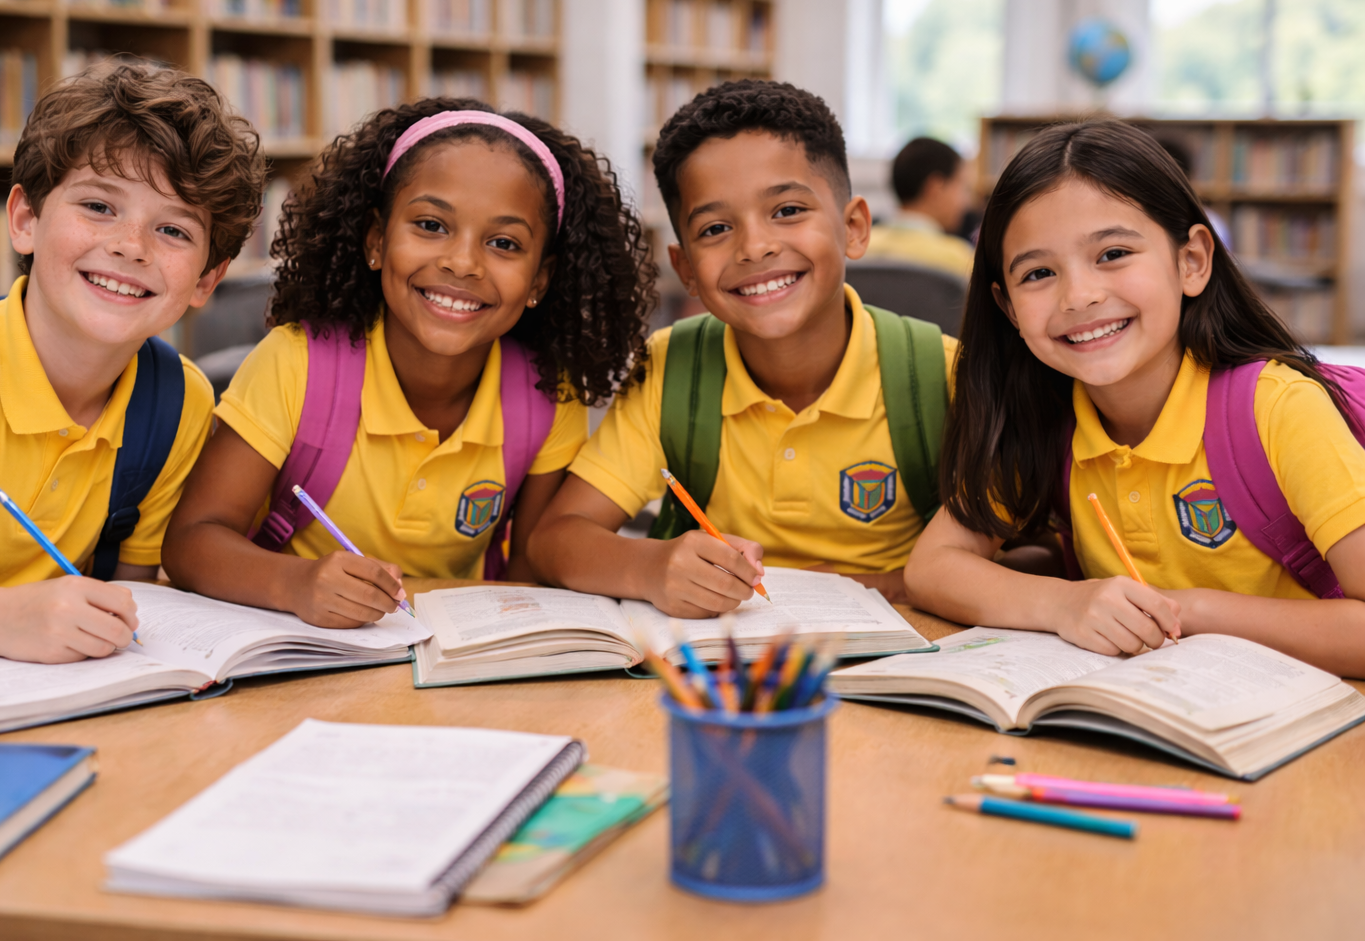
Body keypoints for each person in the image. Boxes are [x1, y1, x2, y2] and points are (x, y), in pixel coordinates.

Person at [162, 98, 654, 628]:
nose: (461, 262)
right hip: (294, 644)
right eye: (430, 225)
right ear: (376, 240)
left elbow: (533, 569)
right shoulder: (296, 362)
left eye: (504, 243)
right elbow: (192, 542)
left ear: (539, 279)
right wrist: (297, 583)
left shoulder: (546, 394)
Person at [0, 62, 261, 662]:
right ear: (25, 220)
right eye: (99, 207)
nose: (130, 247)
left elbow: (128, 600)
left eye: (173, 231)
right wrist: (1, 620)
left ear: (206, 280)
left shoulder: (176, 401)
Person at [905, 119, 1365, 678]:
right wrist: (1065, 603)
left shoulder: (1276, 407)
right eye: (1039, 272)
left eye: (1113, 253)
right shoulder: (1046, 413)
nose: (1080, 295)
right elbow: (932, 568)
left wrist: (1190, 610)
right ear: (1007, 309)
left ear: (1191, 261)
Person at [527, 80, 958, 618]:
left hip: (903, 664)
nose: (754, 247)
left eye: (787, 211)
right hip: (721, 667)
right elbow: (553, 540)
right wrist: (652, 567)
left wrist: (895, 584)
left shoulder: (943, 375)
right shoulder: (670, 369)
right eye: (715, 228)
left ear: (853, 228)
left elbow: (1031, 554)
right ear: (685, 270)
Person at [864, 136, 976, 278]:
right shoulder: (961, 261)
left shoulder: (860, 248)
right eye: (963, 188)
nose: (967, 202)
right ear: (936, 188)